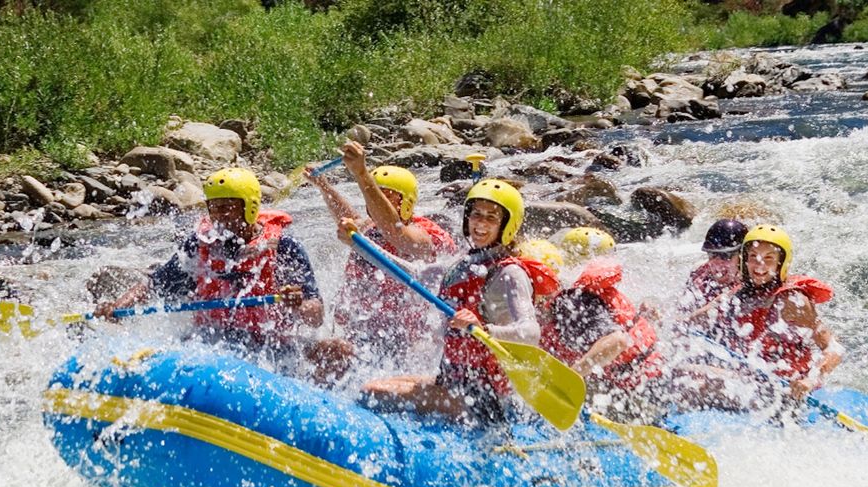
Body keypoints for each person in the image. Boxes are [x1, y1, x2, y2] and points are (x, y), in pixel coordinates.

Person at [100, 167, 352, 380]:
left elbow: (315, 316)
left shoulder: (284, 247)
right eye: (214, 208)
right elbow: (155, 284)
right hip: (211, 340)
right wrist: (118, 306)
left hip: (272, 343)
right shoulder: (199, 244)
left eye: (227, 208)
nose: (219, 216)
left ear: (250, 207)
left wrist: (297, 304)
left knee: (337, 350)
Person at [358, 179, 557, 425]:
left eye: (491, 217)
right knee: (380, 383)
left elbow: (530, 333)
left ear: (507, 225)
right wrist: (359, 243)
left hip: (485, 397)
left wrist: (484, 330)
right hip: (454, 381)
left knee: (372, 392)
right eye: (476, 214)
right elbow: (411, 275)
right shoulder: (463, 265)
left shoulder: (508, 274)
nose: (481, 223)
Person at [307, 140, 456, 360]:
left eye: (383, 196)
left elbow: (397, 234)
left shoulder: (428, 235)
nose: (374, 201)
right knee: (320, 351)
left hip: (405, 340)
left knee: (334, 352)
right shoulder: (368, 227)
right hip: (363, 331)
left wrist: (361, 174)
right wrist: (324, 186)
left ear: (406, 203)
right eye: (373, 195)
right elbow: (349, 216)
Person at [539, 227, 665, 418]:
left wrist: (569, 379)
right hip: (655, 376)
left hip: (638, 393)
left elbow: (618, 341)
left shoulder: (574, 301)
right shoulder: (598, 290)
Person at [713, 224, 842, 400]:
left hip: (789, 389)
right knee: (686, 371)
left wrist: (810, 381)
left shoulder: (792, 301)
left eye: (768, 258)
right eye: (753, 257)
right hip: (753, 380)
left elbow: (834, 348)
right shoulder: (741, 293)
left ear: (781, 263)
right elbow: (694, 319)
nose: (759, 265)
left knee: (700, 381)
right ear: (744, 260)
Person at [678, 218, 747, 338]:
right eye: (712, 255)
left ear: (742, 256)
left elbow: (718, 304)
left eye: (726, 256)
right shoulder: (699, 273)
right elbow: (680, 310)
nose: (717, 264)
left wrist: (680, 323)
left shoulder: (750, 283)